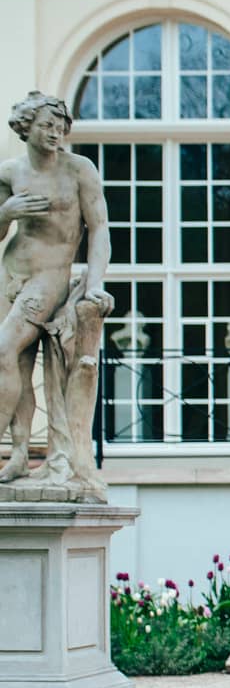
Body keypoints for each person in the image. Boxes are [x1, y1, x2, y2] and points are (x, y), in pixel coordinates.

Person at [0, 91, 114, 490]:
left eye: (60, 126)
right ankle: (17, 454)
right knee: (17, 361)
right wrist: (5, 213)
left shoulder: (78, 170)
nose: (55, 133)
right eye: (46, 125)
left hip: (49, 278)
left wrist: (93, 282)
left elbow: (99, 229)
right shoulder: (10, 172)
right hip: (10, 273)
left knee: (2, 349)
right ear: (25, 127)